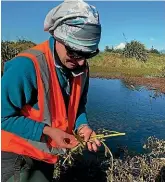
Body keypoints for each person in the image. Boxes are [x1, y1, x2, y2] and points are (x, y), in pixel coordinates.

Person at [1, 0, 102, 181]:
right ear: (57, 37)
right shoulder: (26, 66)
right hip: (16, 154)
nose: (80, 61)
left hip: (46, 154)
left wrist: (83, 125)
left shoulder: (81, 68)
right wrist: (48, 131)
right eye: (74, 52)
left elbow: (79, 106)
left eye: (87, 54)